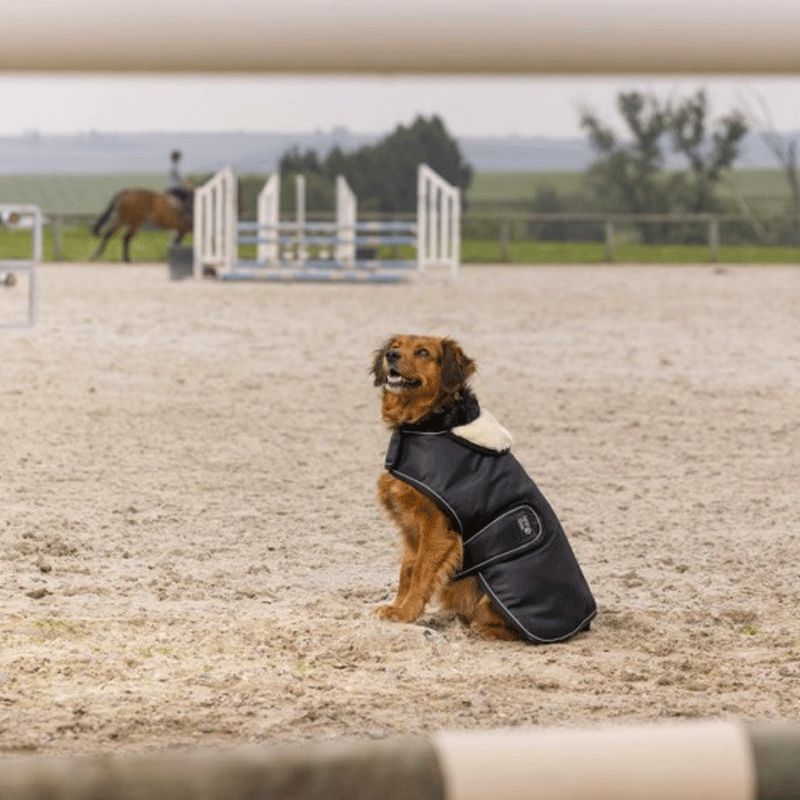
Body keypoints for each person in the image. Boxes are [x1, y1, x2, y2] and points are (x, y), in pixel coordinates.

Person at [165, 150, 192, 215]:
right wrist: (188, 186)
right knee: (189, 196)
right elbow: (180, 179)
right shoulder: (175, 167)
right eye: (180, 158)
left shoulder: (171, 167)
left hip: (168, 188)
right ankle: (186, 212)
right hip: (175, 188)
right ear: (178, 158)